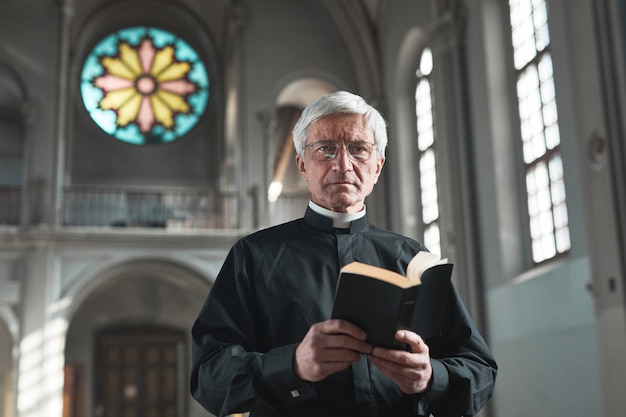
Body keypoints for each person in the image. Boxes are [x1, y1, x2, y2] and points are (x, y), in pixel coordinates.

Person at [190, 91, 497, 417]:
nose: (343, 164)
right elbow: (208, 374)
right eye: (325, 150)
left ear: (377, 167)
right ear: (302, 166)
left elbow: (479, 369)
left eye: (358, 149)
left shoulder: (413, 258)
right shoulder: (252, 255)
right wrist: (292, 364)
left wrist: (431, 376)